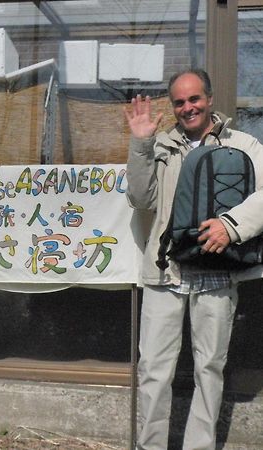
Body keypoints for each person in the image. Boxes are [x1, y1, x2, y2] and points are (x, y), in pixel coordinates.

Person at [124, 68, 263, 450]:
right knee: (153, 369)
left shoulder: (245, 145)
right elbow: (141, 200)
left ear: (210, 98)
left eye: (195, 99)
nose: (188, 108)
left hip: (219, 273)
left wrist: (231, 226)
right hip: (165, 271)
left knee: (210, 368)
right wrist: (140, 145)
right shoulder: (160, 146)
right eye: (180, 102)